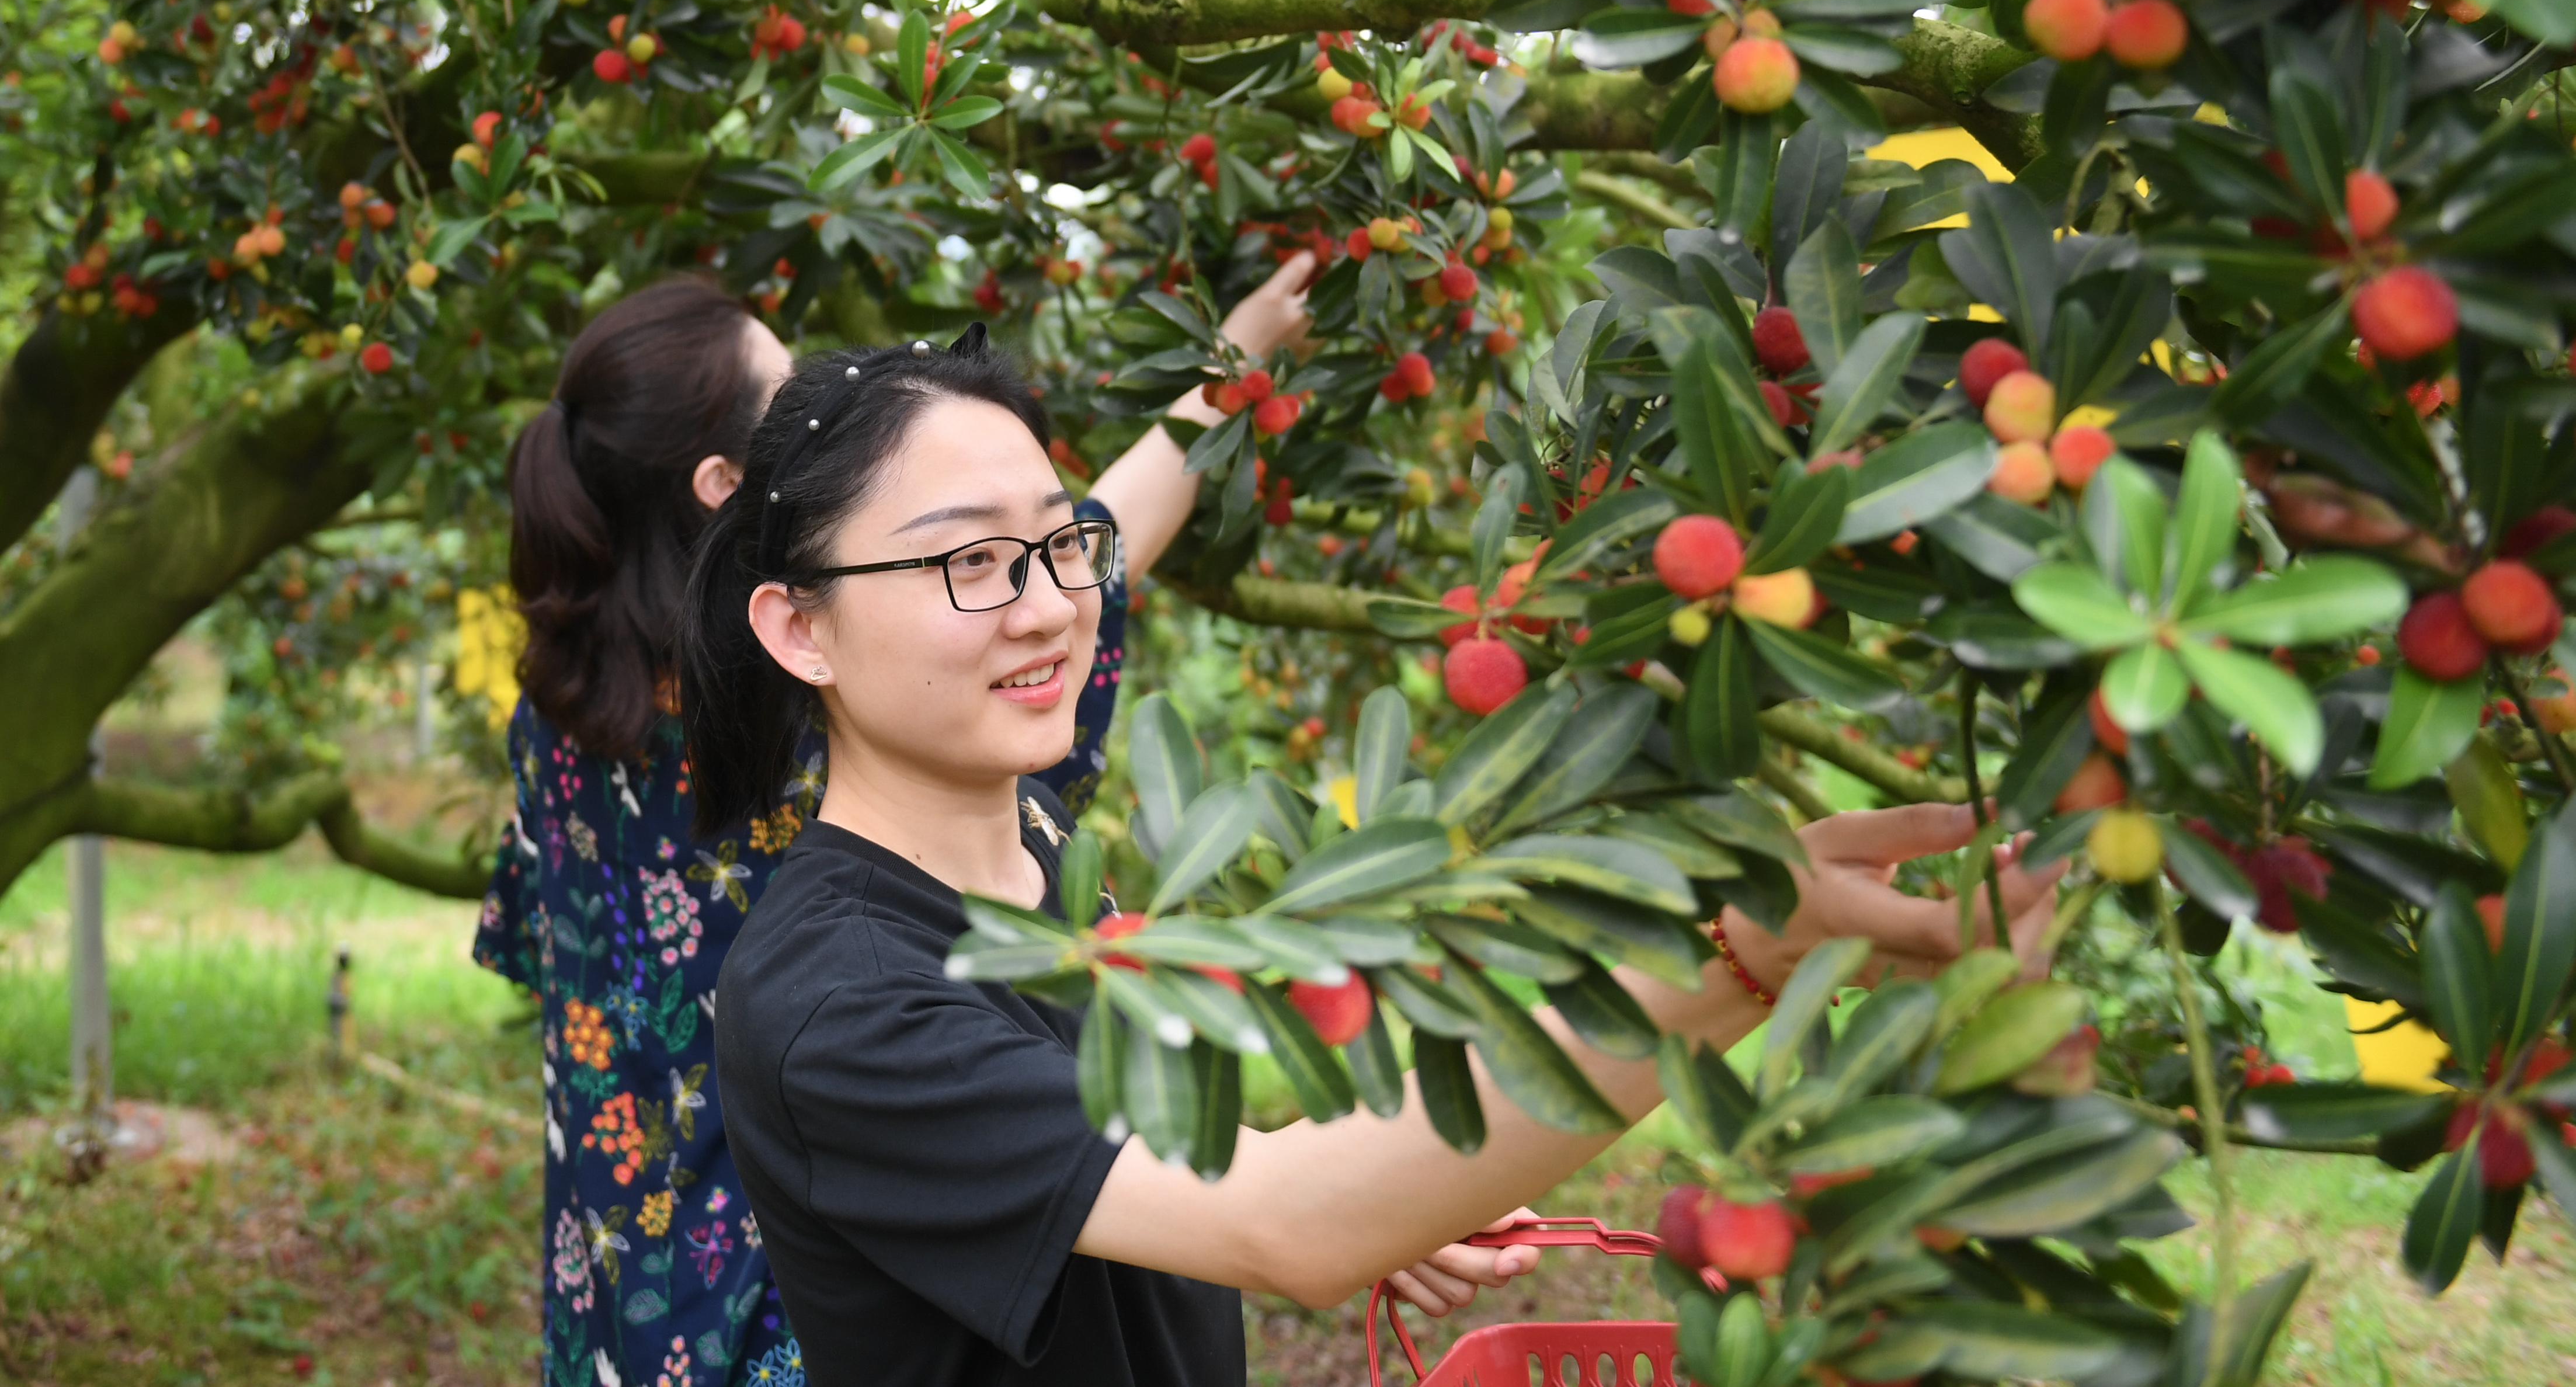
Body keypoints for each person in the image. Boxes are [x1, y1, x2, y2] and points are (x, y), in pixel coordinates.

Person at [683, 329, 2064, 1387]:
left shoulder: (1041, 850)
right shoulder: (835, 1003)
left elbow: (1149, 1166)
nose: (1048, 605)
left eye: (1060, 541)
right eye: (970, 562)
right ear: (801, 629)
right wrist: (1744, 945)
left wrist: (1396, 1189)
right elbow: (1283, 1226)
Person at [475, 264, 1312, 1387]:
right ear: (727, 488)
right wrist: (1225, 368)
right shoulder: (816, 741)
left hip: (617, 1281)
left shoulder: (552, 717)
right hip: (797, 1291)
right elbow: (1072, 583)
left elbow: (533, 949)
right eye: (785, 410)